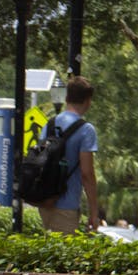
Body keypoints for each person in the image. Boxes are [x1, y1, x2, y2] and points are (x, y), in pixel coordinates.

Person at [38, 76, 99, 234]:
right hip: (67, 206)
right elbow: (87, 174)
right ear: (88, 101)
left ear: (66, 98)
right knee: (65, 255)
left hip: (44, 203)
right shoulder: (86, 130)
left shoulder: (49, 124)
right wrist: (94, 212)